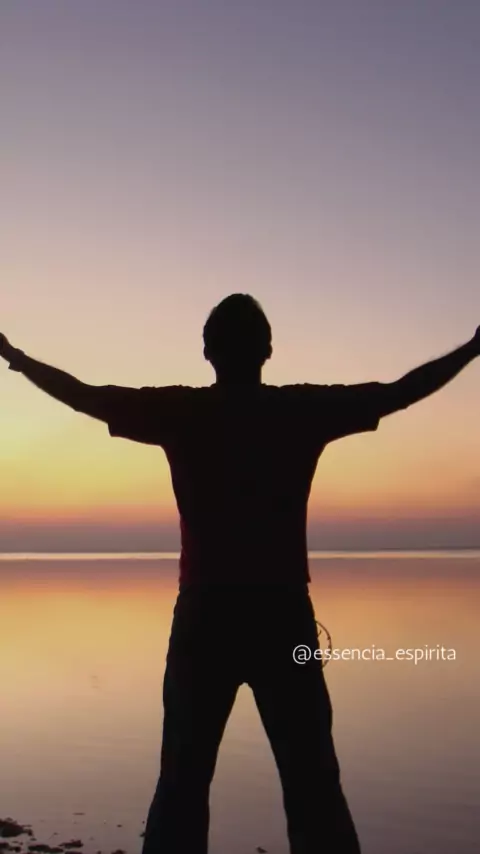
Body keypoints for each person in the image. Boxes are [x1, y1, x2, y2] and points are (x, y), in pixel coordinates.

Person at [1, 295, 478, 854]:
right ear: (268, 350)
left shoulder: (183, 412)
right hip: (281, 616)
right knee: (311, 781)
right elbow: (400, 392)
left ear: (207, 352)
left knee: (183, 781)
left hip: (206, 618)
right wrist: (471, 349)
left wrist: (18, 359)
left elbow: (85, 396)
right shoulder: (298, 411)